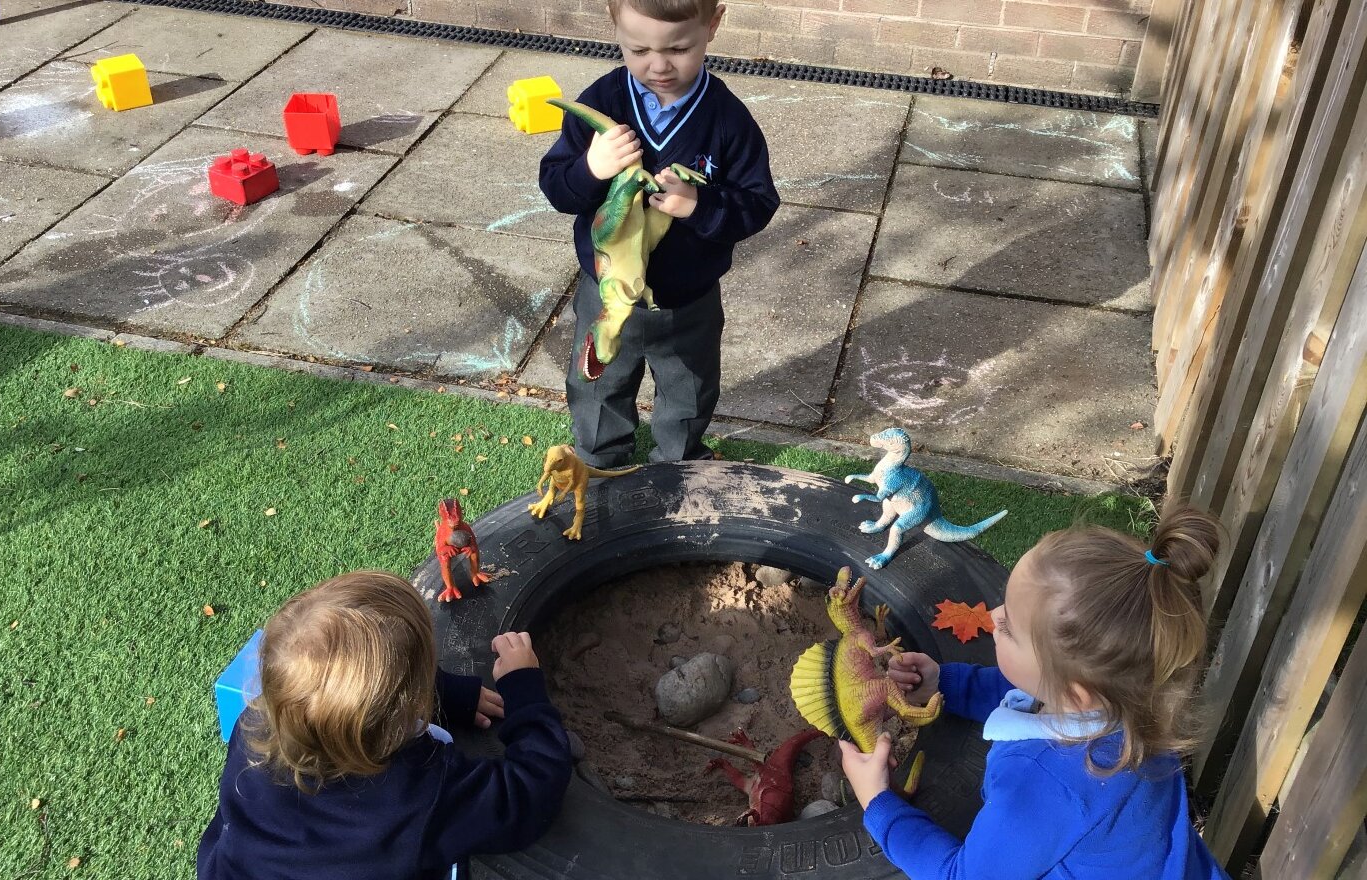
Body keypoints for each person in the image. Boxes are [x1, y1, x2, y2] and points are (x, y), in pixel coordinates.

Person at [839, 507, 1232, 879]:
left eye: (1008, 627)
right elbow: (1025, 691)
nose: (993, 617)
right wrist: (946, 683)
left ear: (1074, 693)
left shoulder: (1043, 783)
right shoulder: (1136, 698)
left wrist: (879, 804)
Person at [197, 570, 573, 880]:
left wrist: (452, 695)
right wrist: (524, 688)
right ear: (405, 703)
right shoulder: (421, 794)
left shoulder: (256, 726)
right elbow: (530, 795)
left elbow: (350, 696)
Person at [538, 0, 779, 467]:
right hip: (606, 294)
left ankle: (679, 462)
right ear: (615, 26)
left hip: (688, 298)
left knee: (689, 387)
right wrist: (591, 168)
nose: (659, 64)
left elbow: (759, 203)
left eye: (679, 48)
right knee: (598, 384)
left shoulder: (727, 120)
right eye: (639, 49)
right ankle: (601, 461)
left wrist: (698, 205)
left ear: (713, 24)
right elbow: (556, 185)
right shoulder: (601, 104)